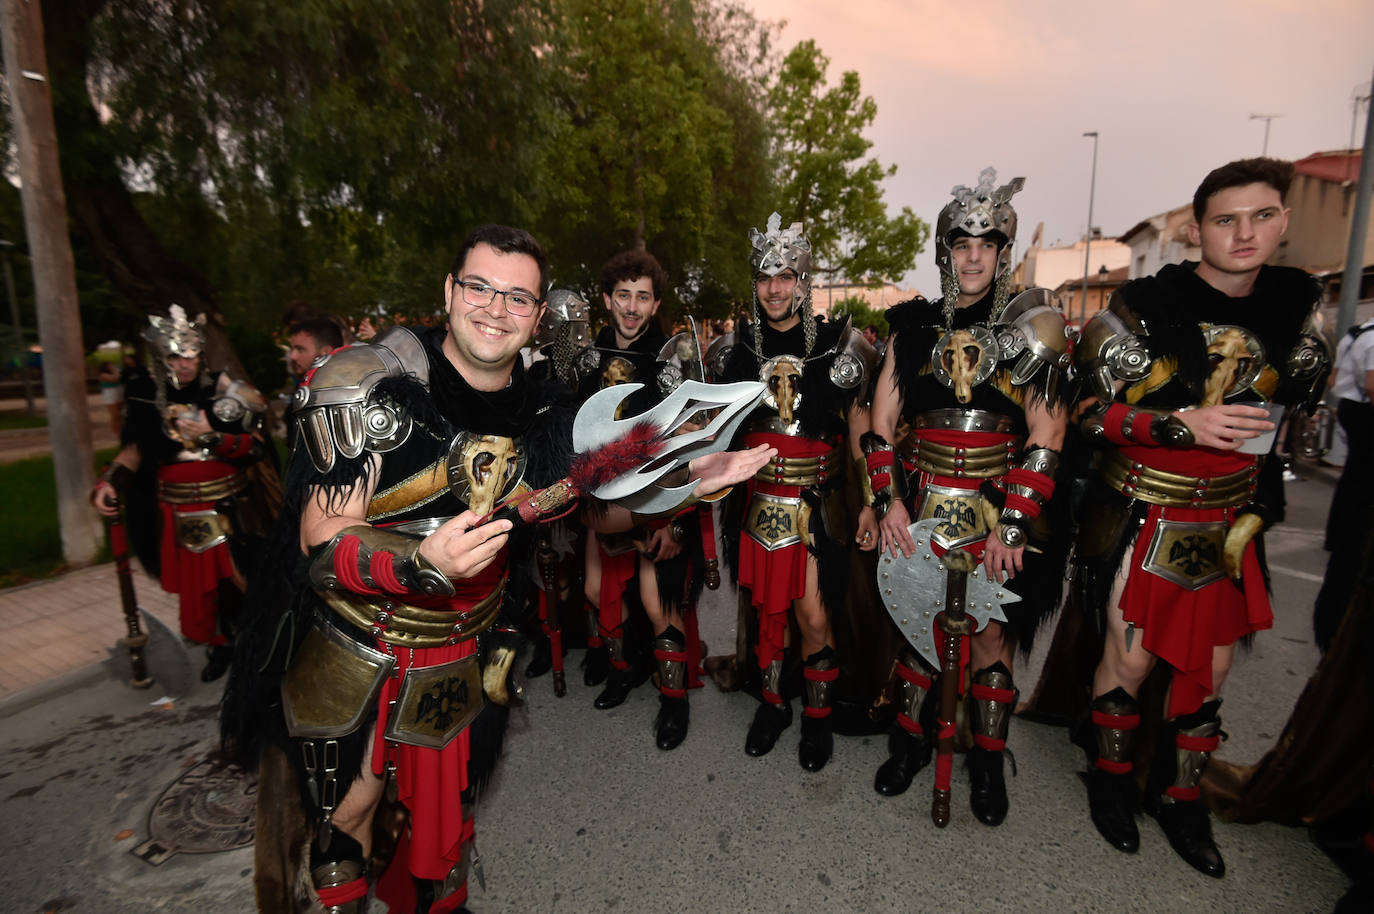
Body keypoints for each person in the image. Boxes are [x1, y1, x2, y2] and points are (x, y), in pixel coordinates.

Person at [224, 225, 771, 913]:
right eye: (479, 287)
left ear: (539, 316)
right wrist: (419, 560)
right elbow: (321, 538)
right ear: (449, 292)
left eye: (518, 297)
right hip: (361, 644)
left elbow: (595, 502)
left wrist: (690, 476)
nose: (495, 309)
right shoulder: (369, 382)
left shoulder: (545, 410)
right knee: (348, 818)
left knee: (447, 821)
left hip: (465, 647)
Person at [1071, 158, 1329, 877]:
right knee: (1130, 656)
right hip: (1144, 508)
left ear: (1283, 221)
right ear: (1196, 228)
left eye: (1263, 215)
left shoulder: (1298, 314)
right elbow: (1089, 415)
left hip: (1231, 520)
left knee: (1211, 671)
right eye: (1226, 219)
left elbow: (1291, 415)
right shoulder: (1141, 308)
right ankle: (1111, 782)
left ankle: (1181, 797)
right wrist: (1182, 424)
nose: (1245, 233)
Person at [865, 168, 1070, 826]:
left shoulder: (1027, 331)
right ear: (944, 253)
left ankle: (986, 761)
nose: (974, 255)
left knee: (989, 647)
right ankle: (908, 744)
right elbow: (878, 428)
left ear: (1003, 253)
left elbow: (1047, 433)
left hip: (996, 515)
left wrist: (1015, 526)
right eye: (961, 244)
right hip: (920, 508)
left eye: (986, 244)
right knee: (917, 634)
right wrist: (886, 502)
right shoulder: (911, 333)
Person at [707, 213, 876, 772]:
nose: (775, 288)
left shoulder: (836, 346)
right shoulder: (734, 350)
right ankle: (774, 706)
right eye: (764, 277)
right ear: (754, 284)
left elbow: (859, 428)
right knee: (766, 615)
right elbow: (714, 431)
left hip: (816, 507)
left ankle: (818, 720)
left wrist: (874, 499)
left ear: (803, 281)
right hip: (756, 504)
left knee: (814, 619)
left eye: (785, 276)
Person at [92, 306, 277, 682]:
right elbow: (135, 450)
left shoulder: (221, 386)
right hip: (178, 508)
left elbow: (256, 441)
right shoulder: (144, 393)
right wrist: (109, 482)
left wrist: (212, 435)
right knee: (200, 590)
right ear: (162, 357)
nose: (185, 363)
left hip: (230, 502)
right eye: (176, 355)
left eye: (191, 354)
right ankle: (221, 646)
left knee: (241, 579)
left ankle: (259, 643)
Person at [574, 250, 709, 749]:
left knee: (658, 606)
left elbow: (695, 445)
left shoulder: (674, 360)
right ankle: (624, 671)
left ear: (655, 305)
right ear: (608, 299)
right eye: (624, 295)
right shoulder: (588, 359)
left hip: (658, 501)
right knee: (596, 591)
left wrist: (675, 521)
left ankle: (674, 702)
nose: (632, 306)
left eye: (643, 297)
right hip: (603, 502)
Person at [1313, 315, 1374, 651]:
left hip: (1355, 414)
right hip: (1365, 416)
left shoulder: (1360, 331)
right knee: (1361, 506)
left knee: (1354, 491)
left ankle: (1340, 535)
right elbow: (1372, 386)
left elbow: (1335, 379)